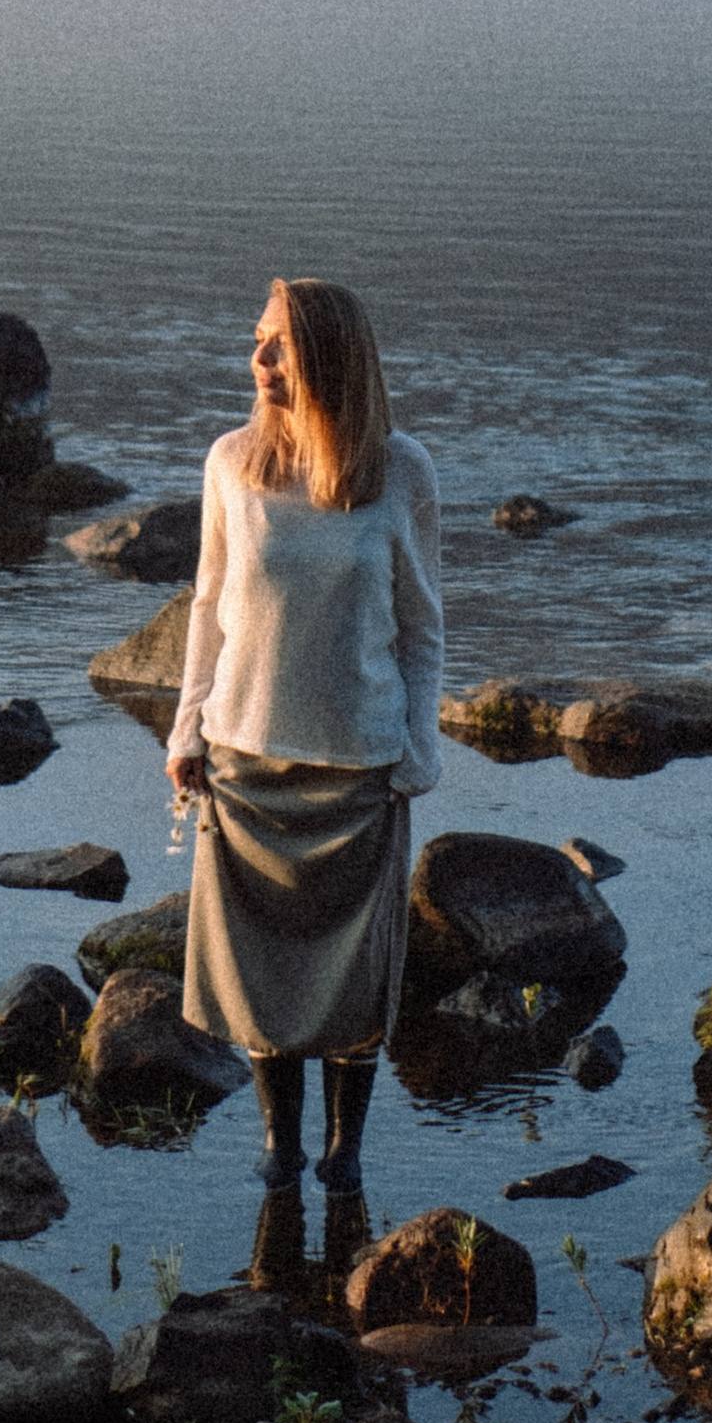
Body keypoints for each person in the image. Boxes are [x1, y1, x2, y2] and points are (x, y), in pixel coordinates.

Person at [166, 275, 443, 1197]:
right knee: (260, 974)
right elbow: (207, 607)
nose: (258, 357)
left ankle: (344, 1151)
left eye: (278, 342)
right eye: (258, 338)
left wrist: (420, 749)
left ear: (328, 354)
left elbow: (422, 630)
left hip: (360, 767)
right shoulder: (230, 462)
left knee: (355, 978)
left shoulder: (401, 470)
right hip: (245, 758)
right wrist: (186, 730)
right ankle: (281, 1148)